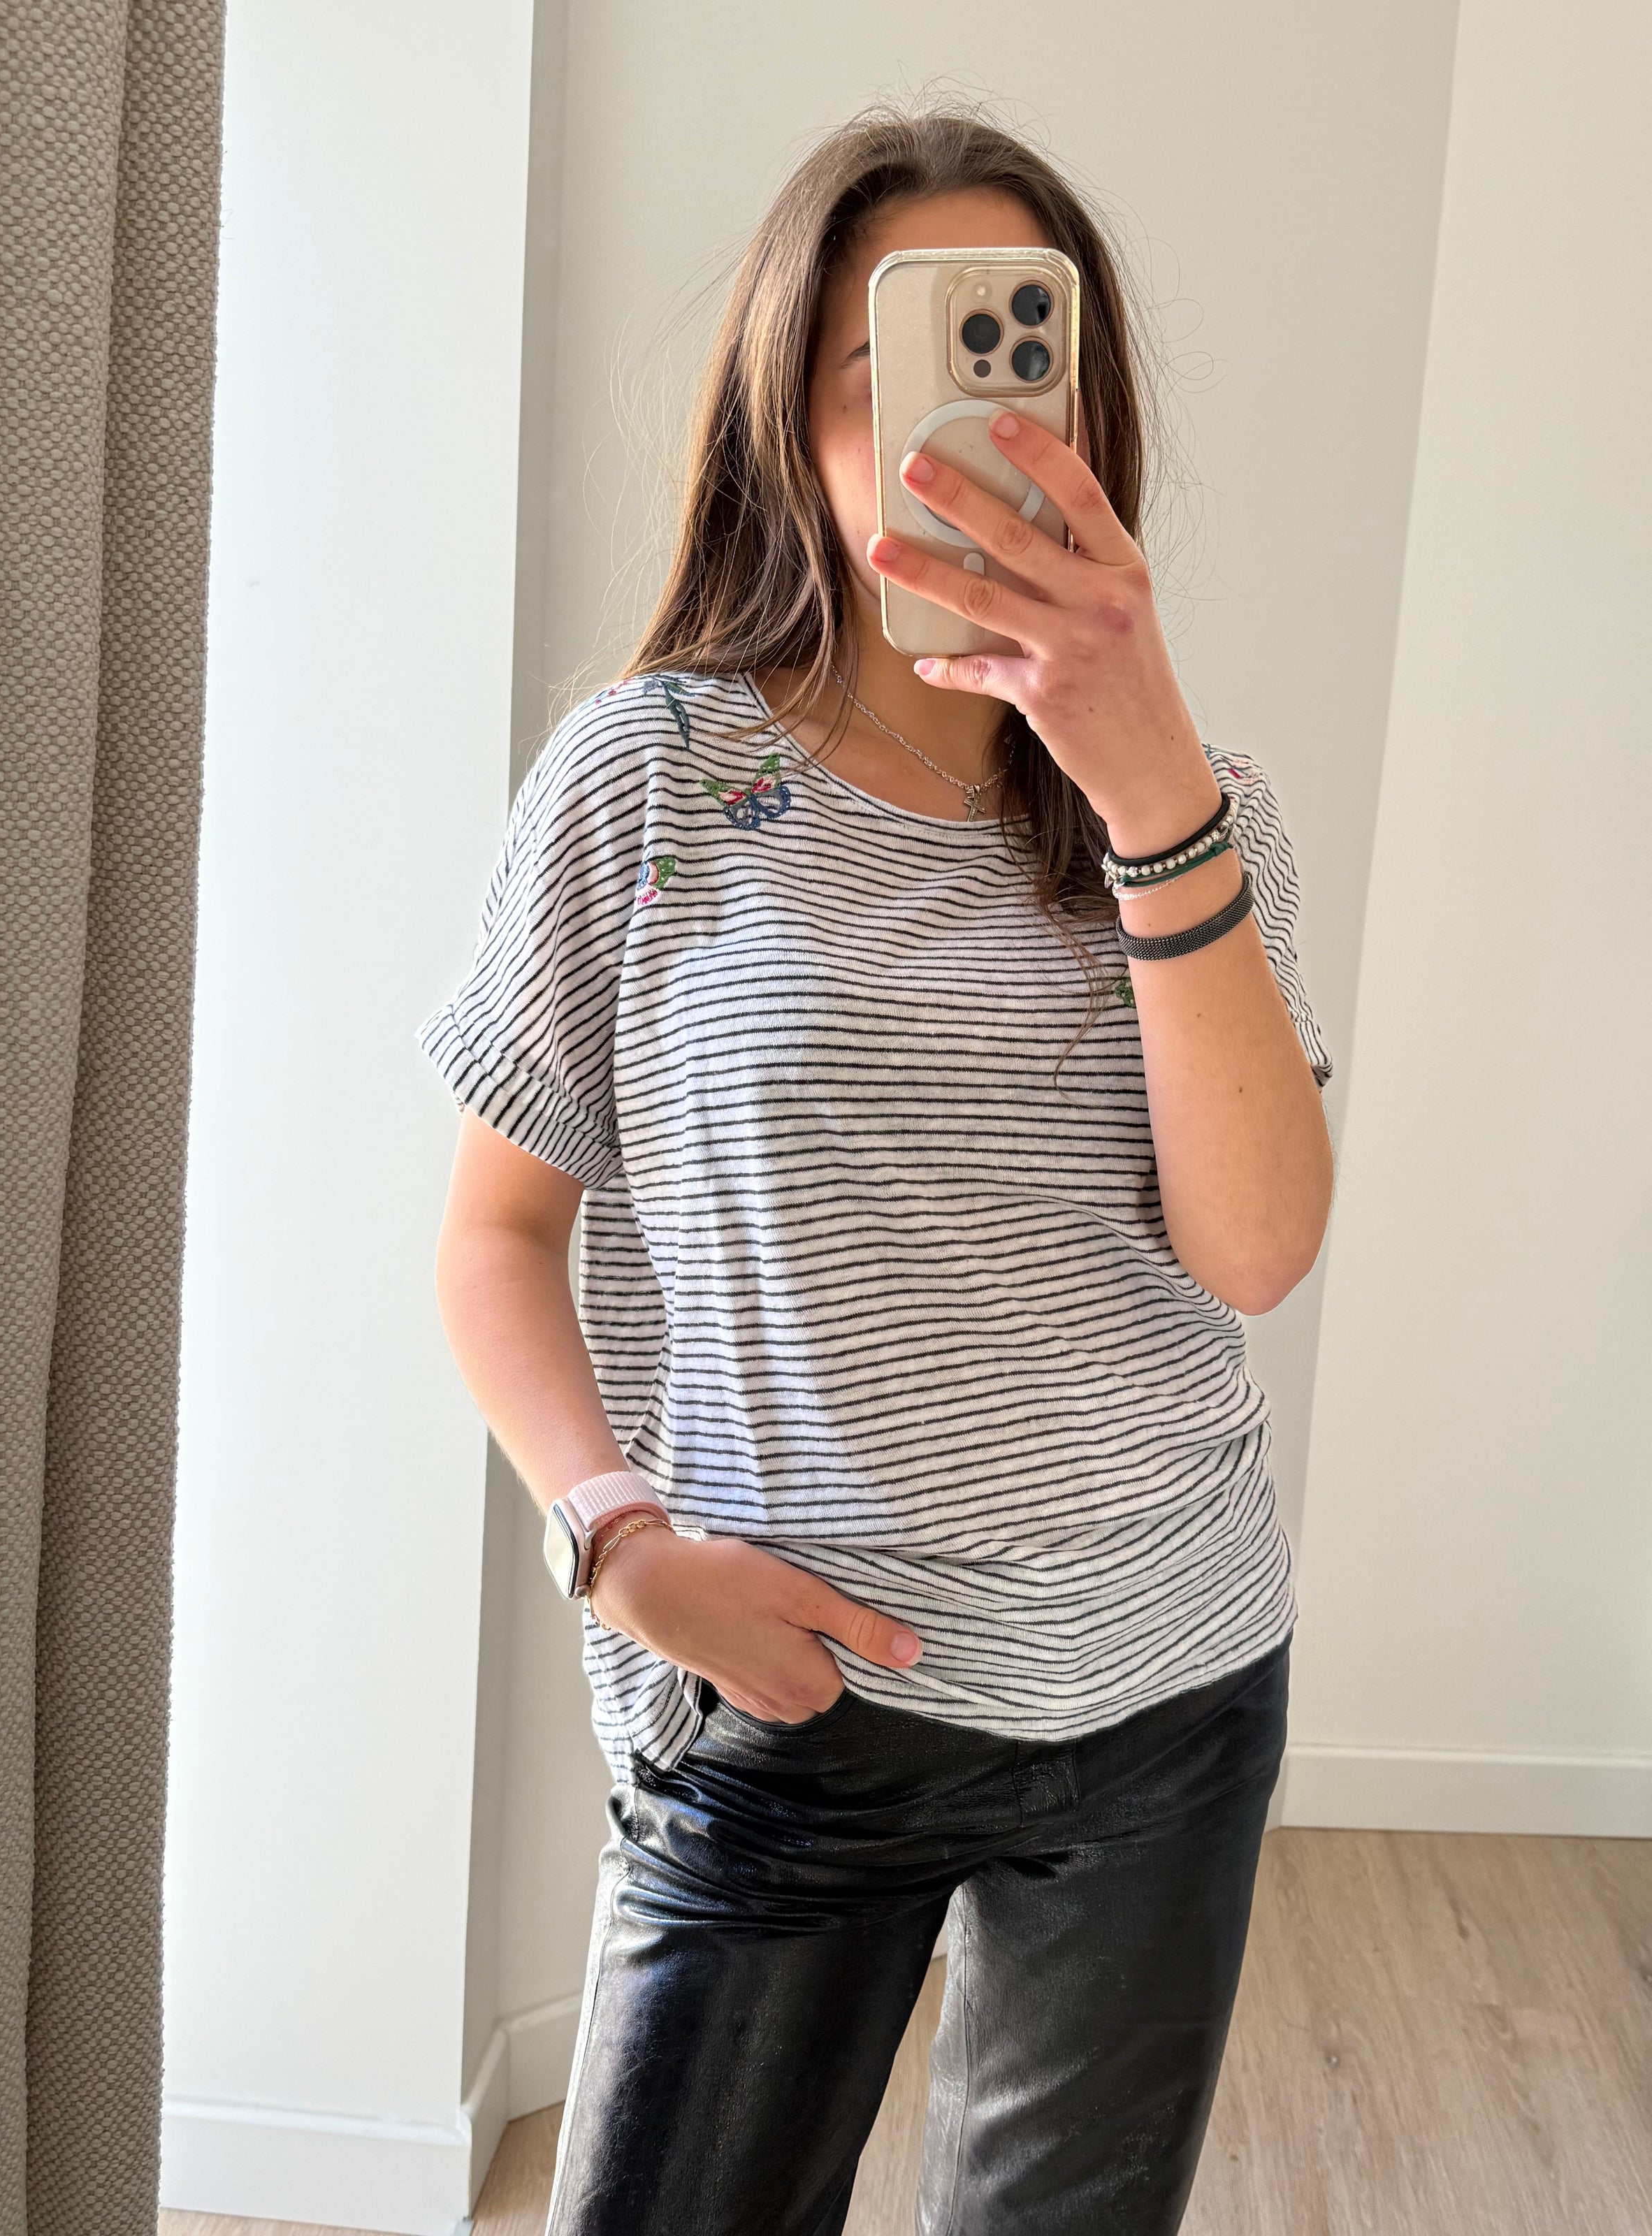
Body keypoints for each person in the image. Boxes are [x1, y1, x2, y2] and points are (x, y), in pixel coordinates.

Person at [426, 105, 1333, 2236]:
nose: (967, 426)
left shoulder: (1206, 812)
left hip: (1167, 1684)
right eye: (890, 366)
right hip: (786, 1692)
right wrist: (611, 1537)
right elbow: (493, 1229)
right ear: (791, 422)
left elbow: (1257, 1249)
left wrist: (1148, 789)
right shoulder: (653, 774)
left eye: (1023, 356)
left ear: (1090, 414)